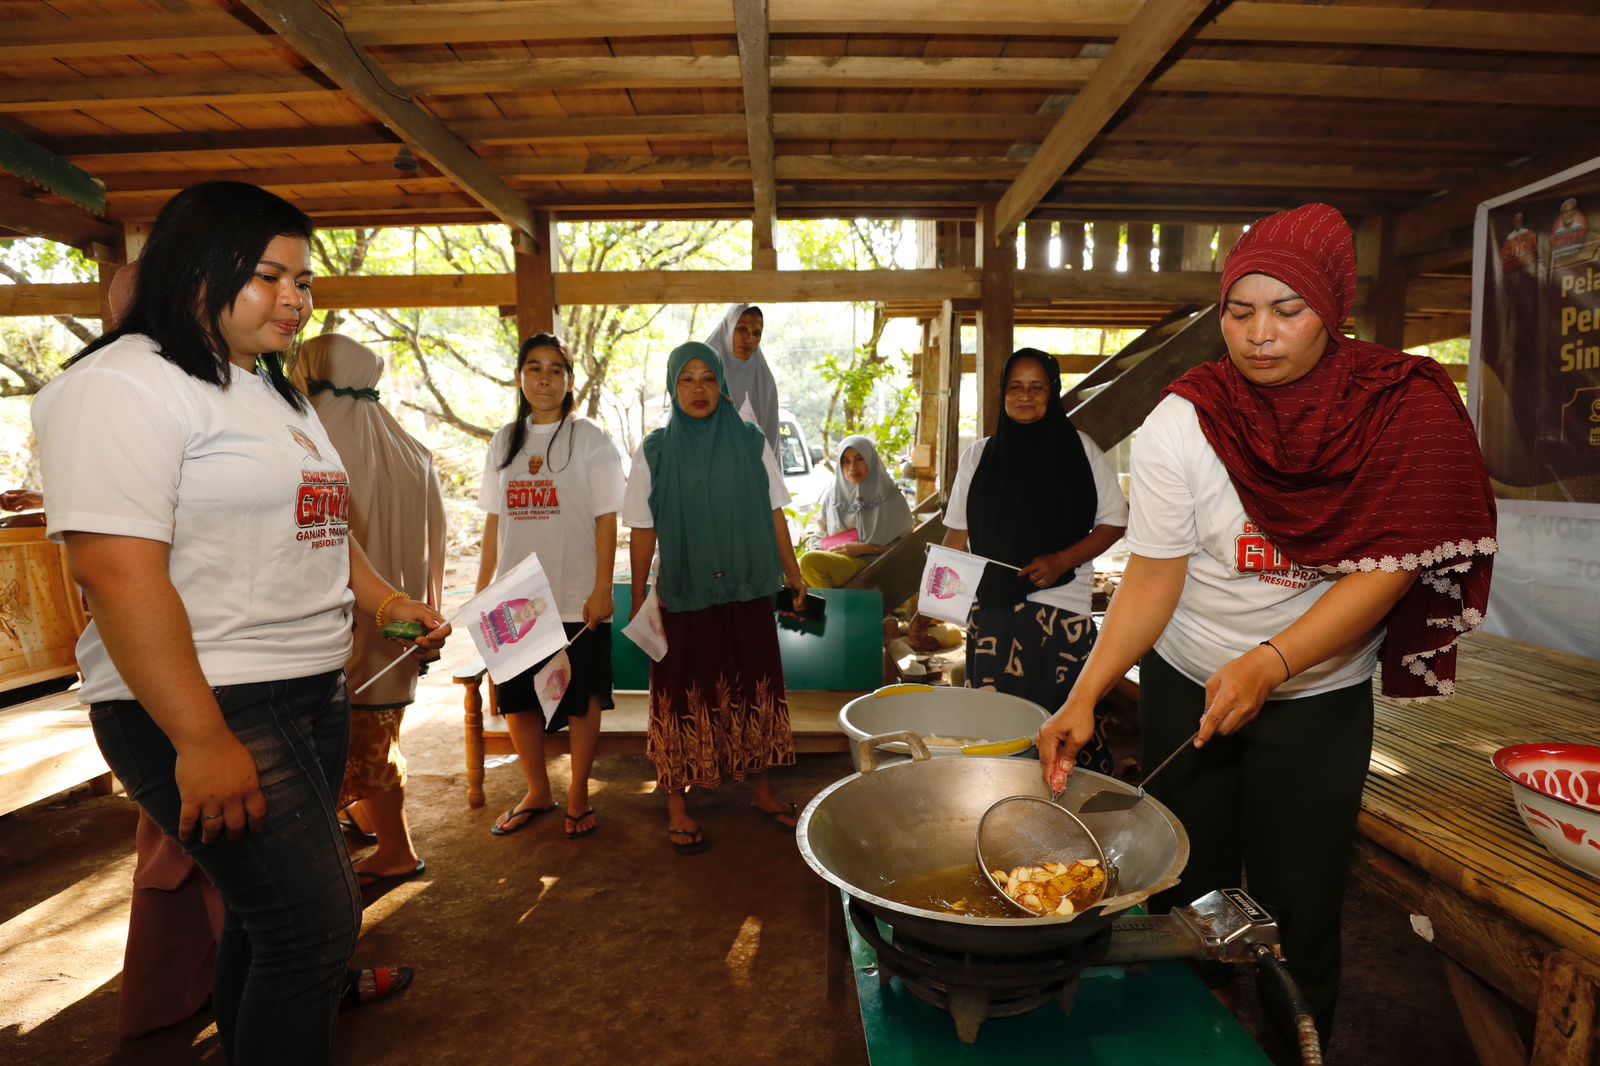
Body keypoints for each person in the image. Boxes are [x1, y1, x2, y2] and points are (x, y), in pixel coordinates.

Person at [1036, 203, 1497, 1055]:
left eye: (1288, 310)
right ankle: (1187, 1046)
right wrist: (1085, 693)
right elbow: (1154, 576)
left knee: (1301, 907)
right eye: (1240, 311)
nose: (1260, 335)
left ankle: (1295, 1047)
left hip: (1318, 695)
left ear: (1334, 309)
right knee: (1182, 891)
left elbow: (1388, 570)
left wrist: (1273, 663)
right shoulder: (1186, 419)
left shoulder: (1400, 410)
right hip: (1188, 674)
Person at [32, 181, 449, 1065]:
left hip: (309, 688)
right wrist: (199, 736)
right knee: (316, 928)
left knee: (266, 927)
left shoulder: (270, 390)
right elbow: (114, 570)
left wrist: (385, 603)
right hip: (213, 698)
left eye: (305, 281)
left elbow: (320, 523)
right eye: (271, 277)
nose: (296, 299)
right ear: (199, 269)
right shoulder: (122, 385)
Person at [623, 341, 806, 854]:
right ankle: (676, 802)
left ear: (722, 385)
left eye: (708, 378)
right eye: (687, 379)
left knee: (756, 687)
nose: (698, 389)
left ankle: (762, 791)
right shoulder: (655, 450)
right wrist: (639, 596)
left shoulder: (750, 441)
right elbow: (642, 528)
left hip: (749, 588)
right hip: (684, 594)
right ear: (672, 387)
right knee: (681, 694)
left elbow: (774, 511)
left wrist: (794, 574)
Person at [295, 333, 445, 887]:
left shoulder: (310, 442)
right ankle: (370, 823)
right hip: (402, 625)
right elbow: (436, 540)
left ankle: (396, 850)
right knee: (380, 737)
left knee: (343, 747)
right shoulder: (408, 447)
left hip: (335, 631)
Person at [940, 348, 1127, 773]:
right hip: (993, 614)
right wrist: (933, 603)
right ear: (1002, 394)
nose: (1025, 396)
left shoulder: (1081, 451)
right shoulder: (979, 457)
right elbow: (956, 536)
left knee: (1064, 728)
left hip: (1063, 611)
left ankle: (1066, 808)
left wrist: (1062, 560)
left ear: (1052, 392)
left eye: (1036, 387)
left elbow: (1115, 522)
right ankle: (1001, 804)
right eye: (1015, 387)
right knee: (994, 731)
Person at [477, 333, 623, 840]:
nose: (545, 378)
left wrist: (603, 588)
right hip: (515, 599)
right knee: (517, 700)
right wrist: (483, 590)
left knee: (582, 698)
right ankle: (538, 790)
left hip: (576, 594)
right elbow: (493, 522)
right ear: (520, 377)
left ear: (569, 380)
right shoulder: (504, 441)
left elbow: (607, 519)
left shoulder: (591, 439)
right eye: (535, 368)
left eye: (556, 369)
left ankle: (578, 794)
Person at [799, 435, 915, 588]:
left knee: (809, 562)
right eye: (846, 461)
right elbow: (820, 533)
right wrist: (821, 547)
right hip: (834, 560)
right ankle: (833, 601)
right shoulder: (832, 497)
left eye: (860, 459)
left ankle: (830, 602)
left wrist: (866, 549)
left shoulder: (891, 498)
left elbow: (907, 548)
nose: (852, 467)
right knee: (791, 571)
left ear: (871, 461)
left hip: (873, 564)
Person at [703, 303, 780, 451]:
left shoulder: (764, 381)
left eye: (756, 333)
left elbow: (770, 442)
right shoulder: (701, 371)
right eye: (742, 329)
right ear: (728, 329)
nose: (749, 338)